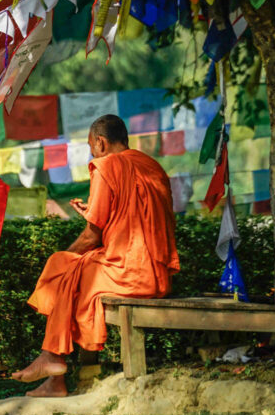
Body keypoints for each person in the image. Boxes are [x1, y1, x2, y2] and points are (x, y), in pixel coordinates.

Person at [11, 114, 179, 397]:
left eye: (91, 147)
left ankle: (52, 356)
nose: (92, 153)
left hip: (127, 273)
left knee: (65, 267)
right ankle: (54, 378)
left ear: (100, 142)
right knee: (70, 270)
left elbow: (93, 235)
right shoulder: (152, 166)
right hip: (158, 276)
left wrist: (68, 253)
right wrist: (95, 212)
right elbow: (136, 216)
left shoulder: (106, 166)